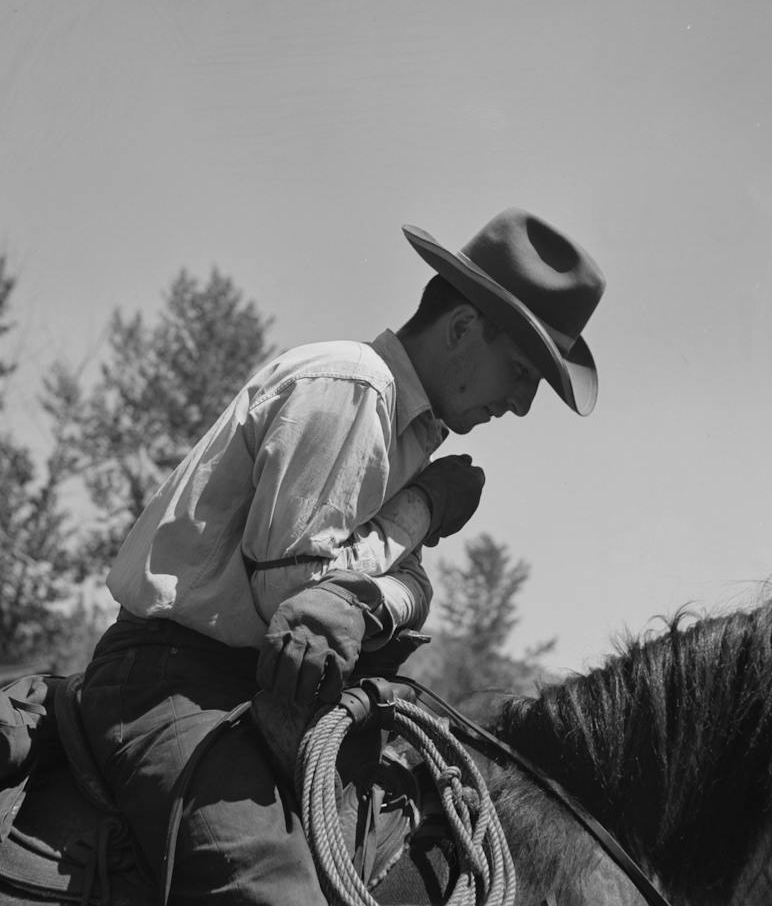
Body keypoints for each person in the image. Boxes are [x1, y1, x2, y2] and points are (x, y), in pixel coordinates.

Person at [80, 207, 606, 904]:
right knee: (274, 895)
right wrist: (419, 514)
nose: (520, 405)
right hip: (173, 685)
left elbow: (402, 589)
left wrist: (369, 588)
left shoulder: (408, 429)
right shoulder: (353, 386)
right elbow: (295, 596)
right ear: (460, 329)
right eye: (519, 371)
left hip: (254, 689)